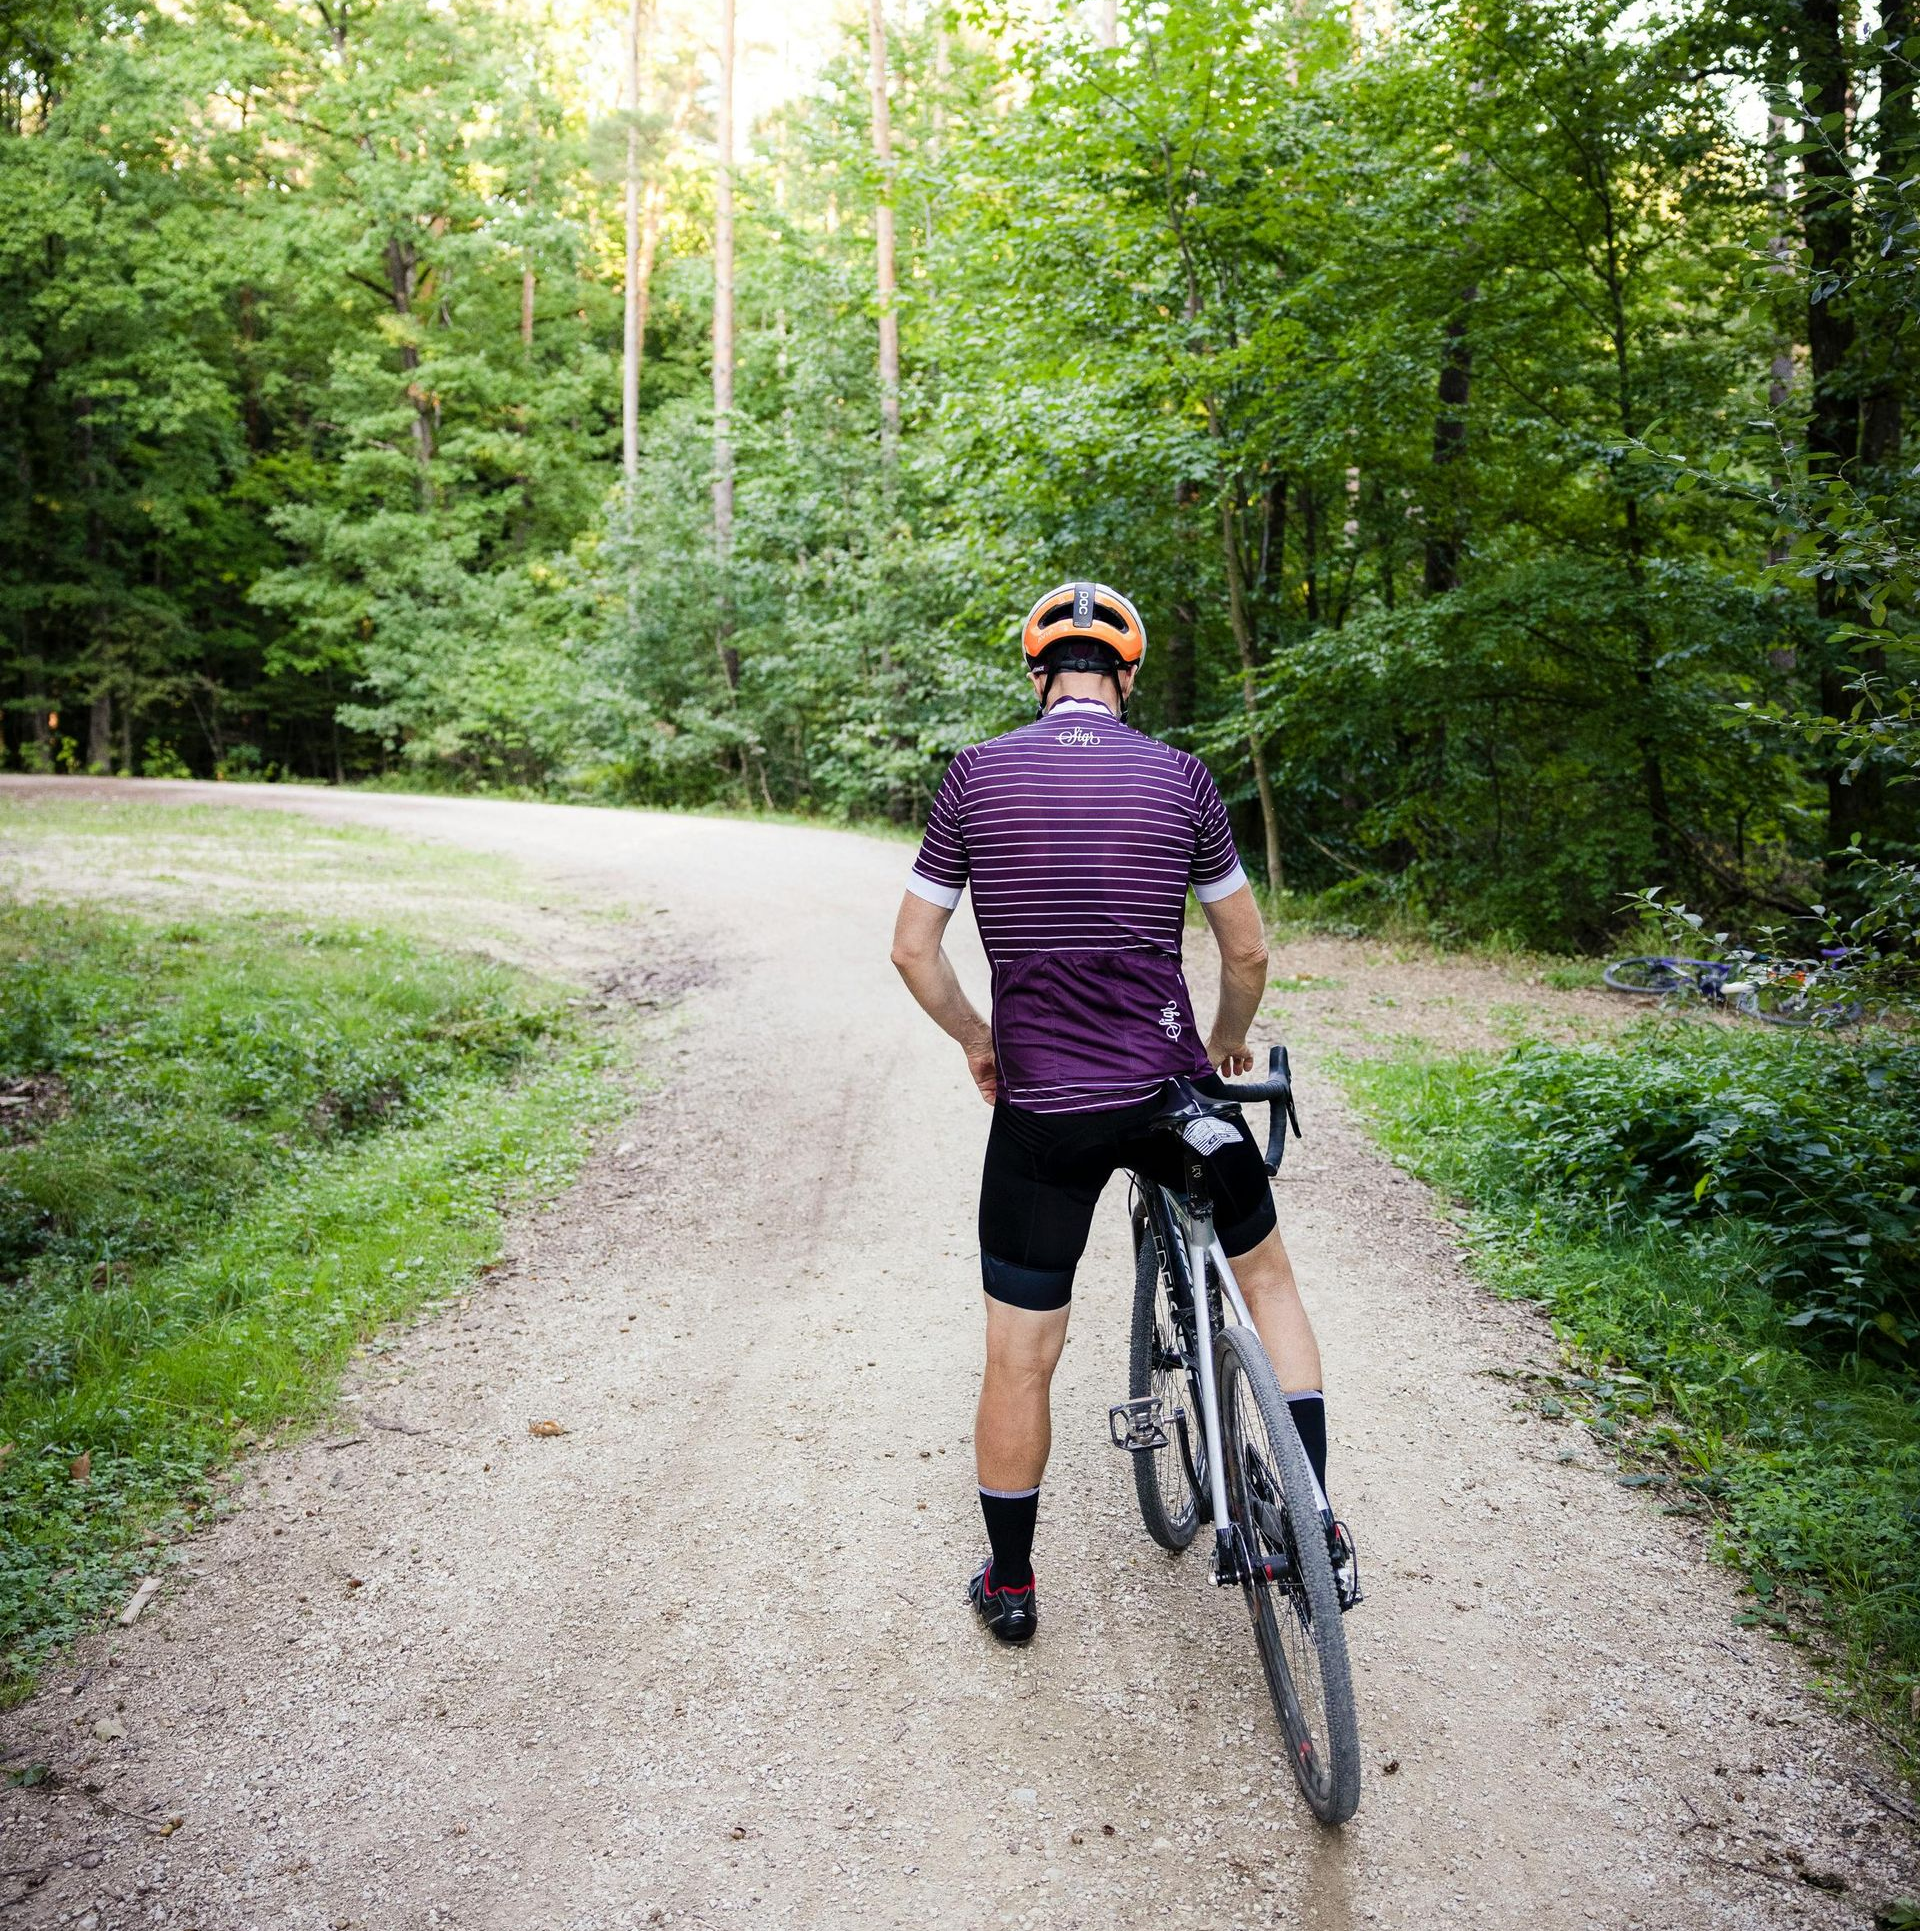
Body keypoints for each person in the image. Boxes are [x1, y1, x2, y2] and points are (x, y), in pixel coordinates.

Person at [889, 580, 1335, 1646]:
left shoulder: (975, 776)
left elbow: (914, 948)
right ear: (1125, 675)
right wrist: (1228, 1039)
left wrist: (978, 1039)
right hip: (1170, 1094)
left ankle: (1010, 1584)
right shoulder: (1181, 778)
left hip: (1045, 1109)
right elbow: (1249, 949)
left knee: (1020, 1350)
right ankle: (1312, 1522)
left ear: (1038, 674)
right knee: (1266, 1276)